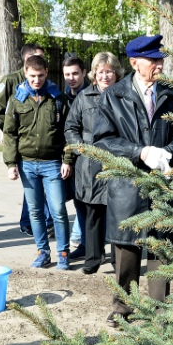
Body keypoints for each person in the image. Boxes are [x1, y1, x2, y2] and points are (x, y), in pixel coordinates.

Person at [92, 34, 173, 327]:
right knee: (126, 251)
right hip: (128, 188)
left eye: (160, 59)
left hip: (165, 187)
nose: (159, 65)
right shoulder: (113, 96)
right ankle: (122, 309)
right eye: (152, 60)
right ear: (134, 63)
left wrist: (169, 151)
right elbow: (102, 140)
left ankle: (160, 311)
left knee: (162, 250)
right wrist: (139, 152)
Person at [3, 54, 72, 269]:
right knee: (35, 211)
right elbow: (10, 133)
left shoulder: (57, 98)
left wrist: (67, 160)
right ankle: (43, 252)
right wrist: (11, 164)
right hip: (27, 164)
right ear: (25, 73)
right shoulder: (17, 99)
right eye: (32, 76)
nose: (36, 80)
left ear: (46, 73)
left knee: (58, 209)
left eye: (40, 76)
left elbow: (68, 132)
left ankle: (63, 253)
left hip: (52, 163)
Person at [65, 51, 122, 274]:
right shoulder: (84, 97)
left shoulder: (125, 96)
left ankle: (120, 260)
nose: (105, 76)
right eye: (101, 72)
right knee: (93, 214)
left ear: (116, 73)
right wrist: (79, 147)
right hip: (89, 162)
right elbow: (71, 127)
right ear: (94, 74)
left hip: (118, 159)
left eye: (109, 71)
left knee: (119, 214)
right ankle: (93, 258)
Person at [0, 43, 54, 238]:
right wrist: (20, 133)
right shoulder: (11, 80)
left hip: (41, 147)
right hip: (22, 144)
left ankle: (43, 221)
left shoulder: (43, 82)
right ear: (26, 61)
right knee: (33, 188)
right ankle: (29, 223)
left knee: (40, 187)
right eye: (36, 58)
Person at [62, 53, 89, 258]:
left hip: (87, 157)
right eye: (67, 74)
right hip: (70, 158)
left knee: (90, 204)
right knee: (78, 201)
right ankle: (84, 243)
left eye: (75, 73)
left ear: (84, 73)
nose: (71, 78)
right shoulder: (63, 97)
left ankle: (89, 244)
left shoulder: (90, 95)